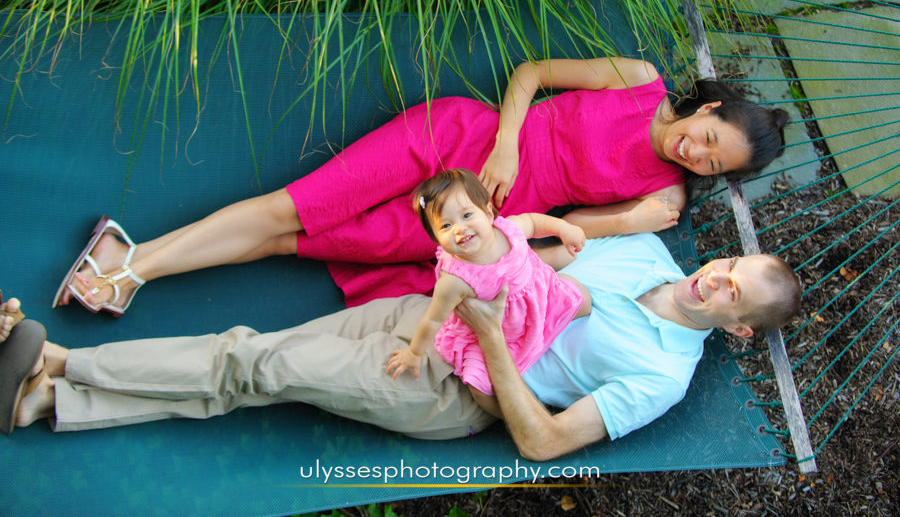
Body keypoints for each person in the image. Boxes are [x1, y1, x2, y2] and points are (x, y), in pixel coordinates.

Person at [54, 57, 790, 314]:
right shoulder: (638, 80)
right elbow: (532, 74)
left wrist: (628, 223)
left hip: (478, 218)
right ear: (710, 110)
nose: (696, 155)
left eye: (713, 166)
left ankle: (128, 263)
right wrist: (507, 144)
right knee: (296, 205)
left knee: (296, 239)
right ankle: (133, 266)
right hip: (462, 138)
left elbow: (568, 233)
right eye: (709, 140)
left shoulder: (665, 195)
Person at [7, 233, 801, 461]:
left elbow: (544, 441)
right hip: (426, 314)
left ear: (738, 327)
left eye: (733, 293)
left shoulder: (662, 375)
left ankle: (61, 362)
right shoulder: (648, 252)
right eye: (728, 264)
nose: (715, 278)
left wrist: (490, 339)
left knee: (255, 363)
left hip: (452, 388)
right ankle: (50, 399)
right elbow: (537, 259)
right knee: (243, 359)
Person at [386, 169, 592, 395]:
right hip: (499, 334)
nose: (459, 228)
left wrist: (564, 229)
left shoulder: (509, 230)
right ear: (436, 238)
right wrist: (414, 352)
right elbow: (433, 319)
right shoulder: (455, 281)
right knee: (480, 387)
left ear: (487, 213)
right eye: (445, 226)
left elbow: (533, 223)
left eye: (467, 215)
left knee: (583, 299)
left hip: (541, 300)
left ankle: (554, 332)